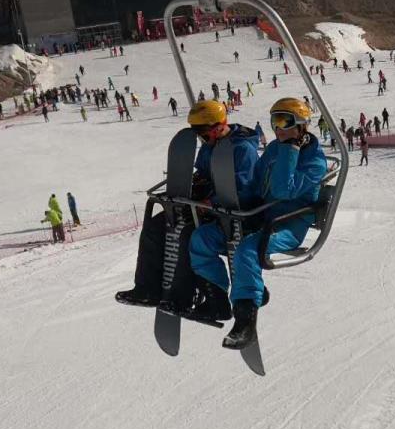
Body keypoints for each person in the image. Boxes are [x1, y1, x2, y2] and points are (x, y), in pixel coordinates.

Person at [187, 98, 327, 349]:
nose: (279, 128)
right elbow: (253, 184)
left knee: (248, 249)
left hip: (288, 224)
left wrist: (290, 150)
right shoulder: (274, 149)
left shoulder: (314, 162)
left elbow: (284, 190)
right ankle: (217, 301)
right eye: (275, 121)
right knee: (202, 238)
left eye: (285, 121)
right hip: (260, 215)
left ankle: (245, 323)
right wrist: (217, 198)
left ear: (301, 125)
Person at [115, 100, 259, 311]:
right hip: (204, 207)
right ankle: (147, 289)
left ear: (219, 126)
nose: (203, 140)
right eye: (199, 136)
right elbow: (204, 174)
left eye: (204, 135)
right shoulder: (209, 147)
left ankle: (184, 296)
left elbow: (244, 188)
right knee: (157, 226)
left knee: (186, 234)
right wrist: (191, 188)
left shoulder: (242, 149)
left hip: (231, 212)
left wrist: (211, 201)